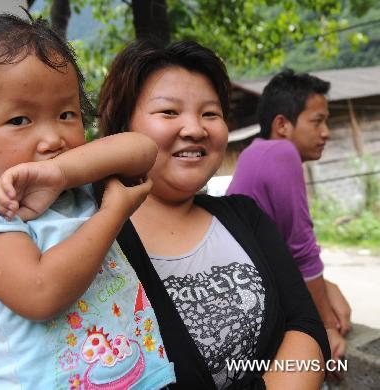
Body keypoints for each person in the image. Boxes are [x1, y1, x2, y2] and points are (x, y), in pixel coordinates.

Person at [0, 5, 176, 389]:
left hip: (146, 378)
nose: (54, 138)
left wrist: (59, 172)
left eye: (68, 114)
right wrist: (113, 211)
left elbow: (143, 149)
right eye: (20, 120)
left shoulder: (77, 181)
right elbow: (41, 293)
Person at [96, 41, 330, 389]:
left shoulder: (244, 216)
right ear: (122, 125)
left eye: (210, 113)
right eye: (169, 112)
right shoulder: (94, 236)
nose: (195, 129)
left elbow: (305, 325)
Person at [226, 70, 352, 364]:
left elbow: (285, 252)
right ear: (282, 124)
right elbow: (302, 248)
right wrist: (328, 328)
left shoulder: (255, 153)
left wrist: (326, 286)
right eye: (317, 121)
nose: (327, 132)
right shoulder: (281, 152)